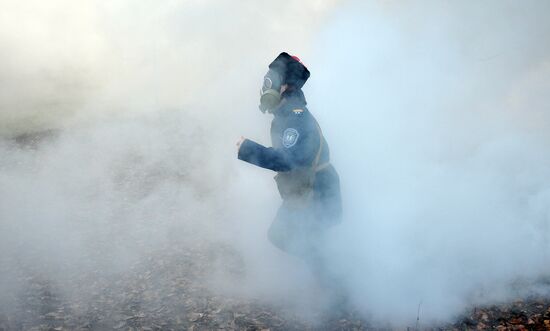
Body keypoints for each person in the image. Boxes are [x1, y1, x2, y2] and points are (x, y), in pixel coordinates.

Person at [237, 52, 342, 278]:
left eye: (272, 82)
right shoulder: (286, 115)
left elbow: (290, 159)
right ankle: (335, 286)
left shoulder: (295, 117)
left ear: (284, 86)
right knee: (287, 236)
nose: (266, 87)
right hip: (308, 190)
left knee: (288, 236)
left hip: (317, 191)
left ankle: (339, 290)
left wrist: (248, 149)